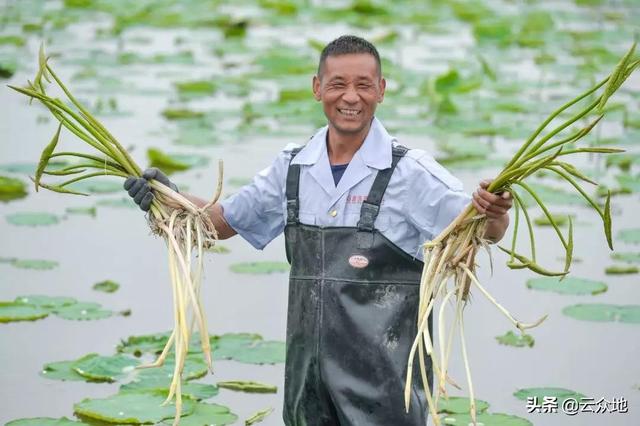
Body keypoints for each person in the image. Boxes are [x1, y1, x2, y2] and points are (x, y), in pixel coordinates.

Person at [124, 35, 512, 426]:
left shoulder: (411, 173)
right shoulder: (292, 168)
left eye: (363, 85)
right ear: (317, 88)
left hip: (385, 396)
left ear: (381, 90)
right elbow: (222, 222)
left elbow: (481, 231)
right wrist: (169, 199)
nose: (350, 97)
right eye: (338, 84)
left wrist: (494, 212)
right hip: (307, 392)